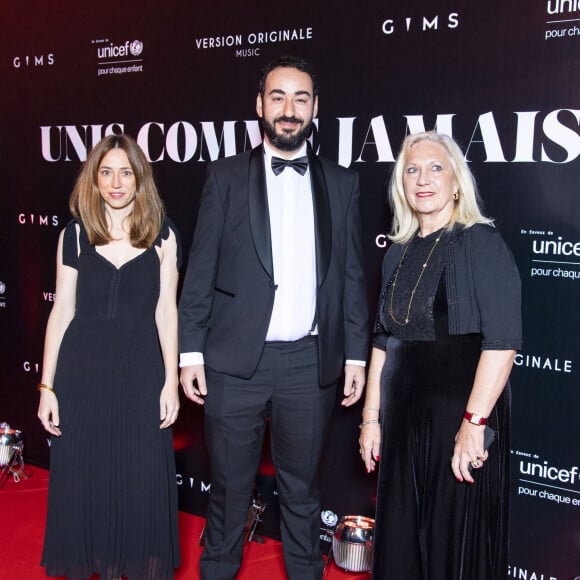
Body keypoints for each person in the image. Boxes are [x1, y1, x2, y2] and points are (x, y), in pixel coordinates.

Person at [179, 56, 369, 580]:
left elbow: (352, 277)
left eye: (301, 99)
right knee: (228, 493)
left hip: (309, 365)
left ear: (315, 109)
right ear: (259, 105)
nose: (289, 110)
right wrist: (190, 349)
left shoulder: (342, 183)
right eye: (279, 97)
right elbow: (200, 272)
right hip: (234, 363)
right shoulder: (224, 177)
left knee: (304, 494)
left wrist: (355, 353)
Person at [359, 131, 521, 579]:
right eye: (412, 170)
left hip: (460, 421)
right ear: (401, 185)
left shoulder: (481, 245)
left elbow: (503, 343)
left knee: (452, 546)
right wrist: (371, 419)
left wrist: (474, 426)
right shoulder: (397, 253)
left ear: (456, 183)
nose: (422, 179)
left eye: (435, 168)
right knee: (401, 541)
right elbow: (381, 341)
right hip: (403, 425)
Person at [37, 134, 181, 580]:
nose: (116, 182)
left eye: (126, 172)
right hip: (82, 381)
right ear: (94, 179)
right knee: (86, 485)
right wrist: (47, 386)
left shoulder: (163, 236)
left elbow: (166, 313)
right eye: (106, 172)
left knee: (140, 484)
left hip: (141, 379)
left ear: (140, 179)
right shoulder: (74, 235)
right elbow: (61, 311)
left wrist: (170, 381)